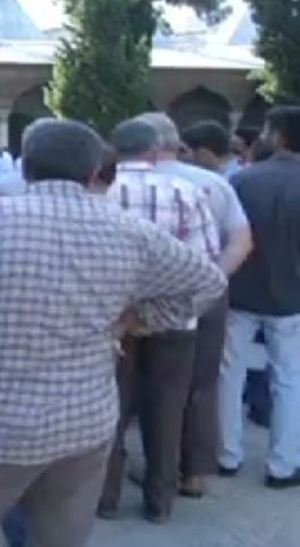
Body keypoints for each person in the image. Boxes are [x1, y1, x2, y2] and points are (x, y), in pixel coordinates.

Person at [0, 118, 226, 547]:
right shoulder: (129, 231)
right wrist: (138, 321)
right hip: (83, 424)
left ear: (25, 169)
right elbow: (209, 281)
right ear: (91, 172)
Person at [99, 118, 219, 524]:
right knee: (167, 411)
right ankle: (160, 500)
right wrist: (176, 314)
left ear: (115, 152)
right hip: (173, 327)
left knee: (109, 410)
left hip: (111, 323)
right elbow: (206, 270)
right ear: (155, 152)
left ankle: (106, 497)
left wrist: (126, 319)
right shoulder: (188, 192)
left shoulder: (100, 193)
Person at [141, 114, 253, 499]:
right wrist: (212, 284)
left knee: (142, 384)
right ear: (179, 145)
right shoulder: (213, 184)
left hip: (137, 299)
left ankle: (148, 473)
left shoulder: (121, 183)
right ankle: (193, 472)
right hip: (204, 294)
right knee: (200, 383)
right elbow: (240, 241)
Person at [221, 105, 300, 490]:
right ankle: (283, 465)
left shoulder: (244, 181)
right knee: (288, 379)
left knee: (230, 373)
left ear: (280, 136)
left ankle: (226, 454)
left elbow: (226, 234)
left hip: (241, 290)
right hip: (292, 297)